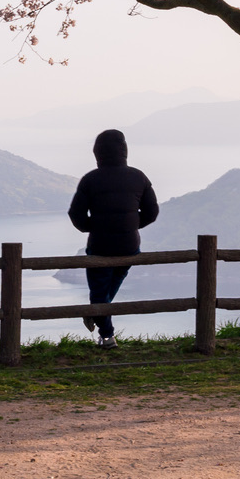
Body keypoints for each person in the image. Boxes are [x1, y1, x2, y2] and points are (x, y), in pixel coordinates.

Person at [67, 128, 158, 345]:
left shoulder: (90, 180)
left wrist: (95, 227)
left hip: (100, 245)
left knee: (99, 291)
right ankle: (97, 313)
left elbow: (76, 214)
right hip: (129, 246)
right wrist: (129, 225)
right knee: (110, 285)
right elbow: (152, 213)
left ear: (97, 152)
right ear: (124, 151)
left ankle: (107, 336)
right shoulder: (139, 177)